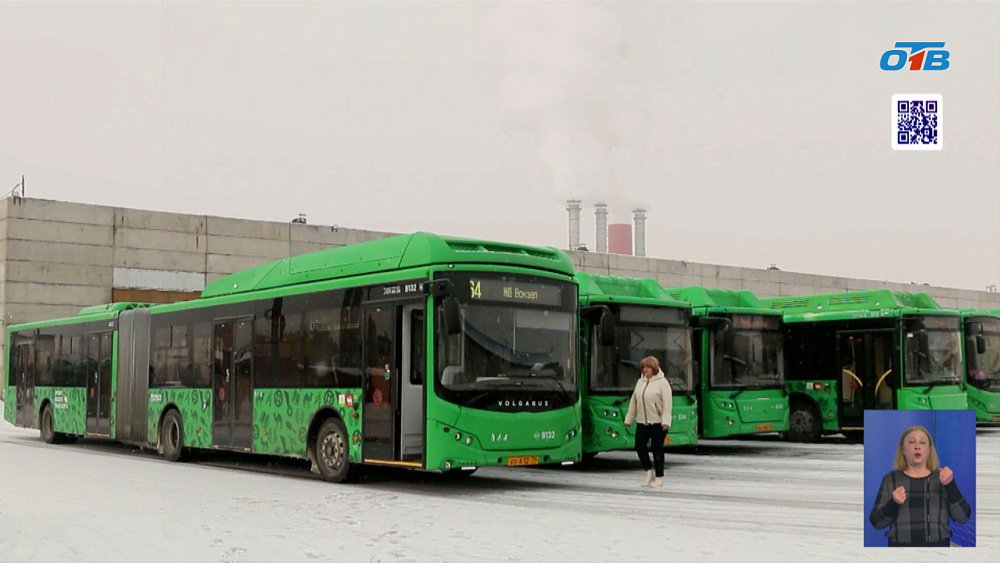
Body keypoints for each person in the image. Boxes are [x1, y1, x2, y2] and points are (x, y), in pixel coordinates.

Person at [869, 425, 971, 547]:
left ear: (929, 450)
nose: (917, 446)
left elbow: (963, 518)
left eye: (923, 442)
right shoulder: (890, 479)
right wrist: (893, 503)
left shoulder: (943, 478)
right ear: (903, 450)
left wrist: (950, 485)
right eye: (912, 442)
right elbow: (876, 523)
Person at [623, 356, 672, 488]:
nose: (645, 370)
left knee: (657, 449)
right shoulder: (640, 382)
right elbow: (634, 402)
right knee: (639, 446)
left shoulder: (662, 383)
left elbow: (667, 404)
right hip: (642, 422)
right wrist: (629, 418)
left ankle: (659, 477)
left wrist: (666, 421)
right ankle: (648, 472)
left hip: (658, 423)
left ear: (654, 368)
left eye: (648, 367)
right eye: (644, 367)